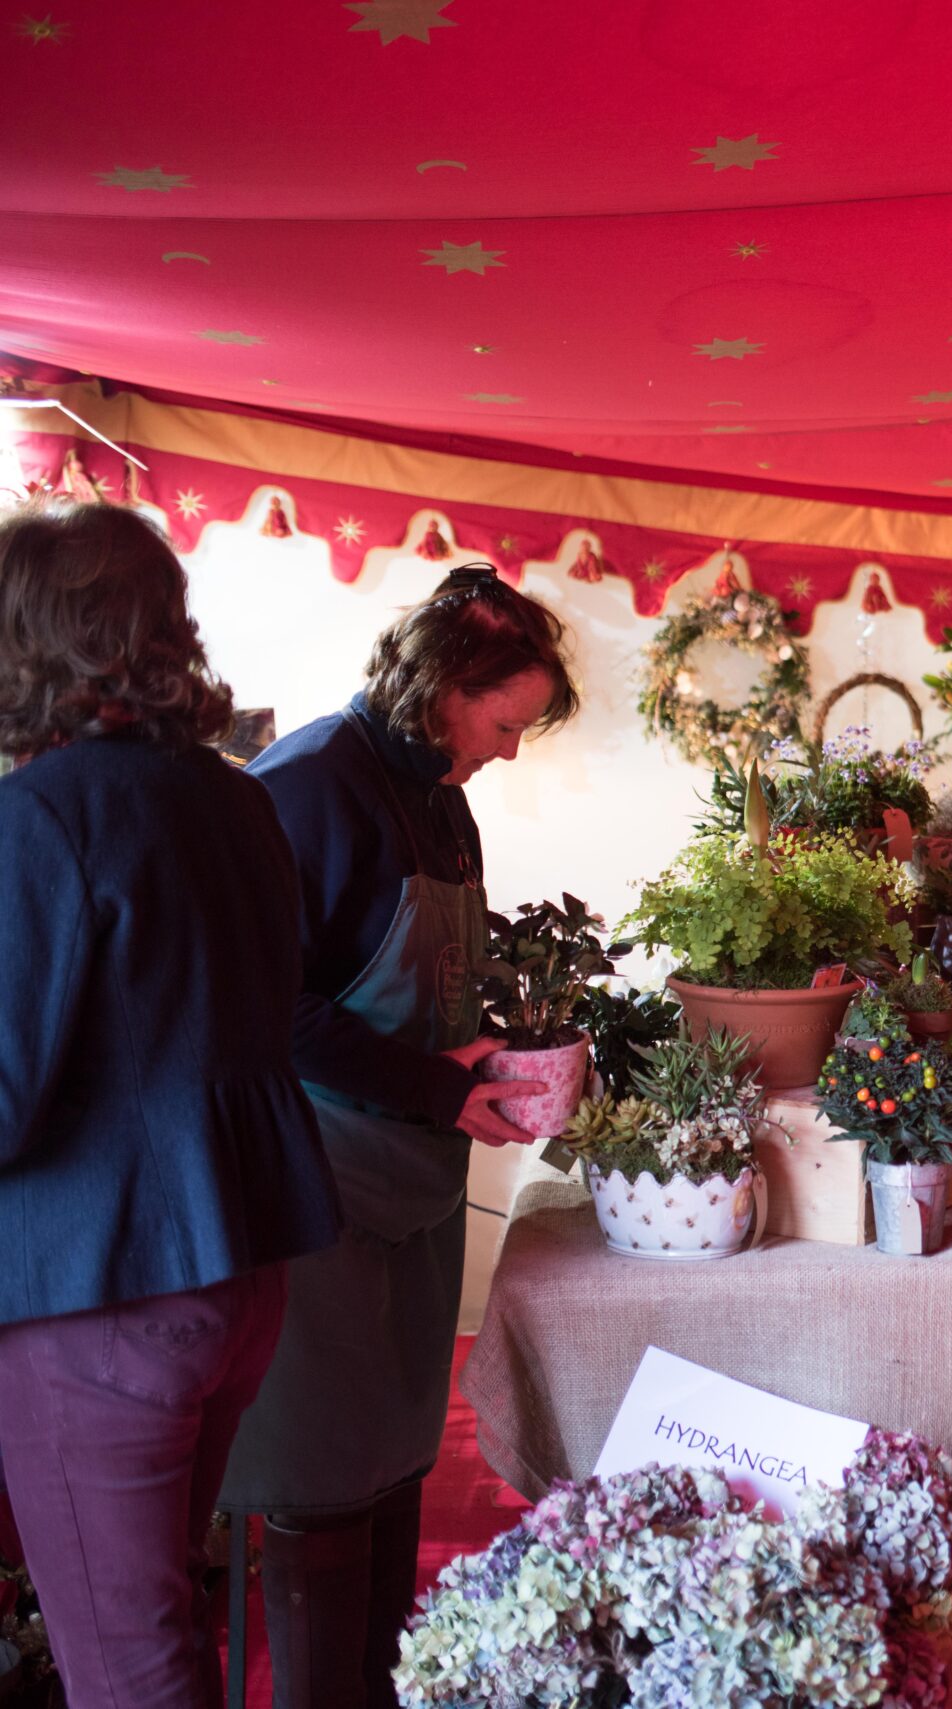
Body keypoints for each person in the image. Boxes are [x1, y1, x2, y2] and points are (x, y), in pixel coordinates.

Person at [0, 502, 341, 1706]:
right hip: (232, 1278)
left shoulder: (46, 812)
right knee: (160, 1630)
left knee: (126, 1664)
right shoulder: (235, 795)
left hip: (103, 1287)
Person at [219, 563, 576, 1706]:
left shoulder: (440, 795)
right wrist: (427, 1085)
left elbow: (416, 981)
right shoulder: (310, 783)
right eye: (503, 721)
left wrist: (486, 1054)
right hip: (314, 1182)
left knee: (391, 1463)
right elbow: (261, 1003)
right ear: (442, 685)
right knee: (321, 1475)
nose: (510, 749)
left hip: (412, 1180)